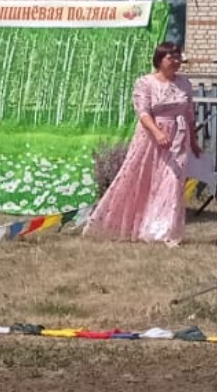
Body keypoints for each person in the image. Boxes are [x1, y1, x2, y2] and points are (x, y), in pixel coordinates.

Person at [86, 42, 201, 245]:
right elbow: (143, 112)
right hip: (151, 137)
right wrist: (157, 132)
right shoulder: (145, 83)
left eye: (178, 57)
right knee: (142, 179)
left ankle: (162, 230)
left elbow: (189, 113)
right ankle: (124, 221)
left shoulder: (185, 83)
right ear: (159, 60)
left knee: (172, 180)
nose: (176, 61)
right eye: (171, 57)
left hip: (178, 138)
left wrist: (193, 140)